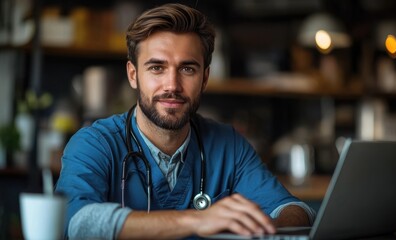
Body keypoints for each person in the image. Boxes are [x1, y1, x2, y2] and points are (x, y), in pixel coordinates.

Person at [55, 3, 316, 239]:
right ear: (133, 75)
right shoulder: (94, 144)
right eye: (157, 68)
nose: (172, 85)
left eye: (187, 69)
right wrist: (197, 220)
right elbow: (78, 223)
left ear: (204, 78)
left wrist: (269, 227)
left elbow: (294, 209)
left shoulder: (229, 145)